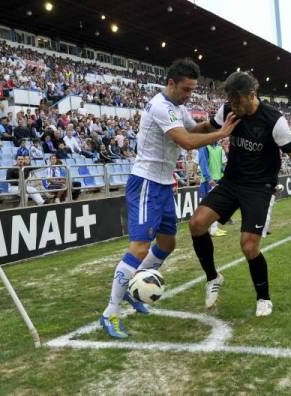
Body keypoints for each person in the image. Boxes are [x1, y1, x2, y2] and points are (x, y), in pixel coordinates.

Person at [100, 58, 240, 338]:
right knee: (139, 247)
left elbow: (194, 129)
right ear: (171, 83)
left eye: (192, 90)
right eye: (186, 89)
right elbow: (186, 141)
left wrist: (216, 121)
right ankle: (110, 313)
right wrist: (222, 133)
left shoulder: (177, 107)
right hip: (146, 183)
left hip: (163, 184)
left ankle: (132, 288)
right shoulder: (161, 107)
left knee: (167, 242)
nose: (189, 95)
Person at [188, 71, 291, 317]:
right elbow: (207, 127)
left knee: (249, 246)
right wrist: (182, 134)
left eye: (236, 100)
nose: (233, 105)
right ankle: (213, 277)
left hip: (259, 187)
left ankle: (263, 297)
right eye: (229, 100)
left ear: (252, 95)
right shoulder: (229, 110)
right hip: (231, 181)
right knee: (197, 223)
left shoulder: (275, 121)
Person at [198, 142, 227, 237]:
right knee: (207, 206)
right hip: (208, 181)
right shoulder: (204, 147)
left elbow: (222, 166)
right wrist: (209, 178)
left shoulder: (219, 147)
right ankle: (204, 228)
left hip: (218, 179)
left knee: (216, 206)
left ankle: (214, 229)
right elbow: (203, 164)